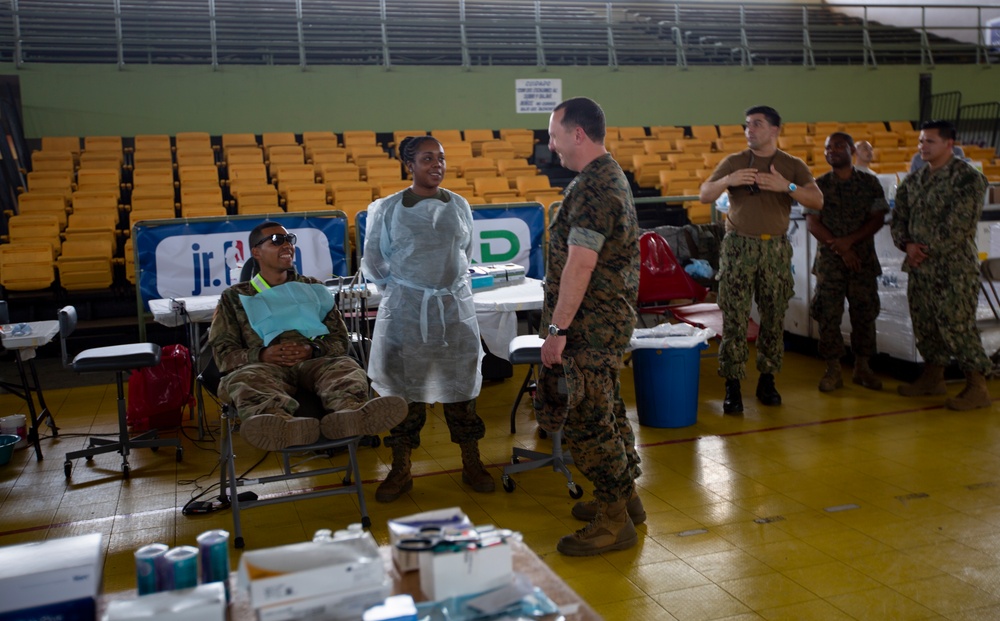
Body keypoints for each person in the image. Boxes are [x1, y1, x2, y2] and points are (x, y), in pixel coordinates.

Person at [362, 135, 494, 503]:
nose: (436, 164)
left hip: (454, 311)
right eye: (426, 158)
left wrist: (442, 287)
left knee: (461, 388)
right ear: (410, 165)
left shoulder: (459, 205)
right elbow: (374, 261)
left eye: (440, 158)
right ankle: (400, 468)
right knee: (405, 393)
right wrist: (407, 288)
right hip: (407, 313)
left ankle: (472, 461)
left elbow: (465, 253)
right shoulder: (389, 209)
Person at [541, 96, 643, 557]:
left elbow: (581, 264)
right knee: (608, 409)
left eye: (554, 133)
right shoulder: (599, 178)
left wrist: (557, 330)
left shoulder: (597, 187)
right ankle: (623, 498)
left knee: (588, 421)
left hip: (590, 325)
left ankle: (613, 521)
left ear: (577, 134)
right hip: (601, 320)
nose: (550, 143)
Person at [208, 221, 407, 451]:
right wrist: (262, 354)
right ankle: (280, 425)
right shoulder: (234, 297)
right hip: (263, 367)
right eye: (276, 240)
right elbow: (223, 354)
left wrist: (313, 350)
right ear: (256, 252)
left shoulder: (313, 288)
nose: (287, 246)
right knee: (247, 381)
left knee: (345, 368)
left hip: (315, 362)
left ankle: (351, 414)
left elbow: (339, 341)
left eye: (289, 239)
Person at [699, 106, 823, 414]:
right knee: (735, 319)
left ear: (775, 130)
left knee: (773, 317)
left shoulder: (790, 165)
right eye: (746, 125)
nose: (749, 130)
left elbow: (817, 200)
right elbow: (704, 194)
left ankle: (767, 380)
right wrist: (729, 179)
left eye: (757, 124)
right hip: (739, 247)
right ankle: (733, 385)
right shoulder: (736, 161)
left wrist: (788, 187)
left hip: (775, 250)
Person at [891, 120, 992, 410]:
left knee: (956, 325)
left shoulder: (967, 179)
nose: (922, 147)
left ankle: (977, 386)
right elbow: (899, 220)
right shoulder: (914, 180)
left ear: (949, 144)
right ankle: (933, 378)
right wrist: (907, 245)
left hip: (954, 269)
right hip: (920, 267)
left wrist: (925, 250)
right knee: (926, 325)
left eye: (929, 141)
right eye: (921, 141)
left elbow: (959, 225)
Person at [806, 132, 888, 393]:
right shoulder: (818, 186)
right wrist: (841, 249)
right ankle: (832, 369)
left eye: (839, 146)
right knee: (828, 315)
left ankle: (862, 367)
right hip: (831, 263)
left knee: (864, 314)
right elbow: (812, 223)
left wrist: (849, 242)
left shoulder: (869, 183)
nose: (832, 151)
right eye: (828, 147)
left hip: (861, 260)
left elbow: (877, 218)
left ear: (852, 150)